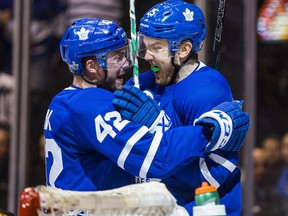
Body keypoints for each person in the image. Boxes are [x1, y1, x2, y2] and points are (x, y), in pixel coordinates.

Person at [44, 16, 249, 200]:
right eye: (117, 57)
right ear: (92, 66)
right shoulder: (89, 105)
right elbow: (156, 159)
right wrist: (209, 131)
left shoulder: (65, 101)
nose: (126, 63)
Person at [113, 0, 250, 215]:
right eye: (144, 46)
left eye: (156, 47)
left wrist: (159, 132)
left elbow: (212, 175)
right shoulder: (140, 85)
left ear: (184, 49)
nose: (147, 56)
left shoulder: (207, 91)